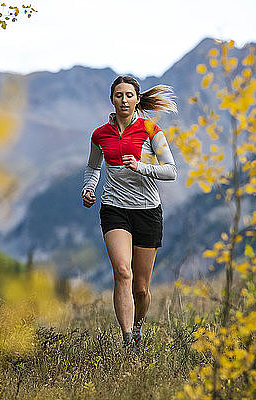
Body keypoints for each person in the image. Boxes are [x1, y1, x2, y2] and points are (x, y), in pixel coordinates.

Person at [81, 75, 177, 348]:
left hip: (147, 211)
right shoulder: (100, 135)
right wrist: (88, 189)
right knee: (123, 271)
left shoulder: (151, 130)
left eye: (129, 95)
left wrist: (141, 166)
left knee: (141, 288)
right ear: (112, 99)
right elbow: (93, 168)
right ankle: (126, 342)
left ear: (137, 99)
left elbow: (171, 171)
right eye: (119, 95)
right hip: (114, 209)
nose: (124, 100)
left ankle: (137, 329)